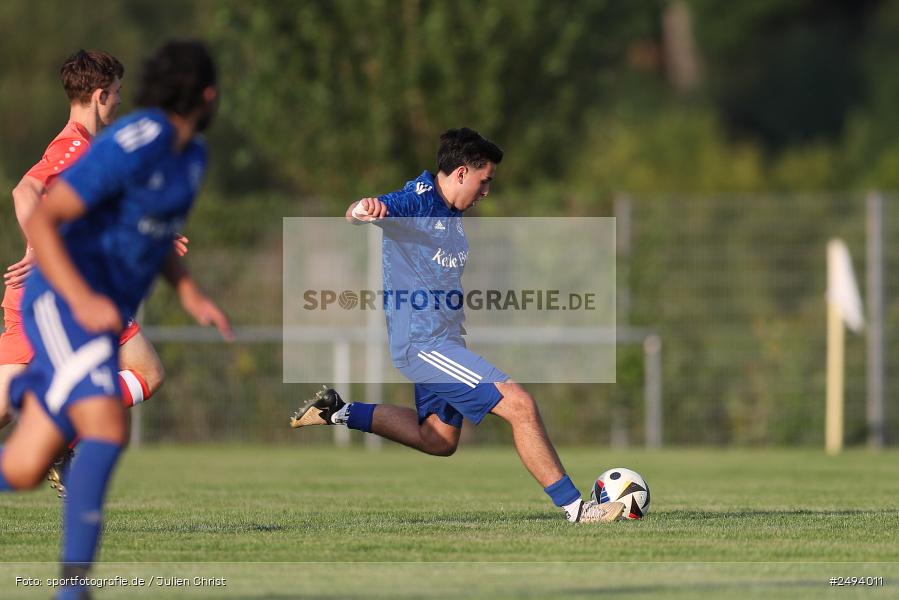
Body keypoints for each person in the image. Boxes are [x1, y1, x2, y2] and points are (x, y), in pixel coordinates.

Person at [290, 128, 624, 524]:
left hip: (443, 341)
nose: (487, 191)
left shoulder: (451, 211)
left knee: (438, 439)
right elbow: (365, 210)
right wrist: (364, 209)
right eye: (485, 181)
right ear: (462, 173)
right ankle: (577, 510)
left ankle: (337, 411)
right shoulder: (419, 201)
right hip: (424, 345)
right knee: (520, 405)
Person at [0, 40, 232, 600]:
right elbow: (38, 204)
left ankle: (37, 393)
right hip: (63, 301)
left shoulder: (191, 157)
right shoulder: (131, 141)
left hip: (96, 302)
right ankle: (73, 591)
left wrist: (190, 291)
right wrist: (65, 279)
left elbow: (149, 227)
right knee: (106, 427)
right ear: (208, 95)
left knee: (24, 468)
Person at [0, 50, 188, 496]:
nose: (120, 101)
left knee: (147, 373)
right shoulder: (74, 146)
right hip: (56, 295)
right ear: (100, 95)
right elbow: (24, 190)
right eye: (117, 92)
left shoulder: (90, 149)